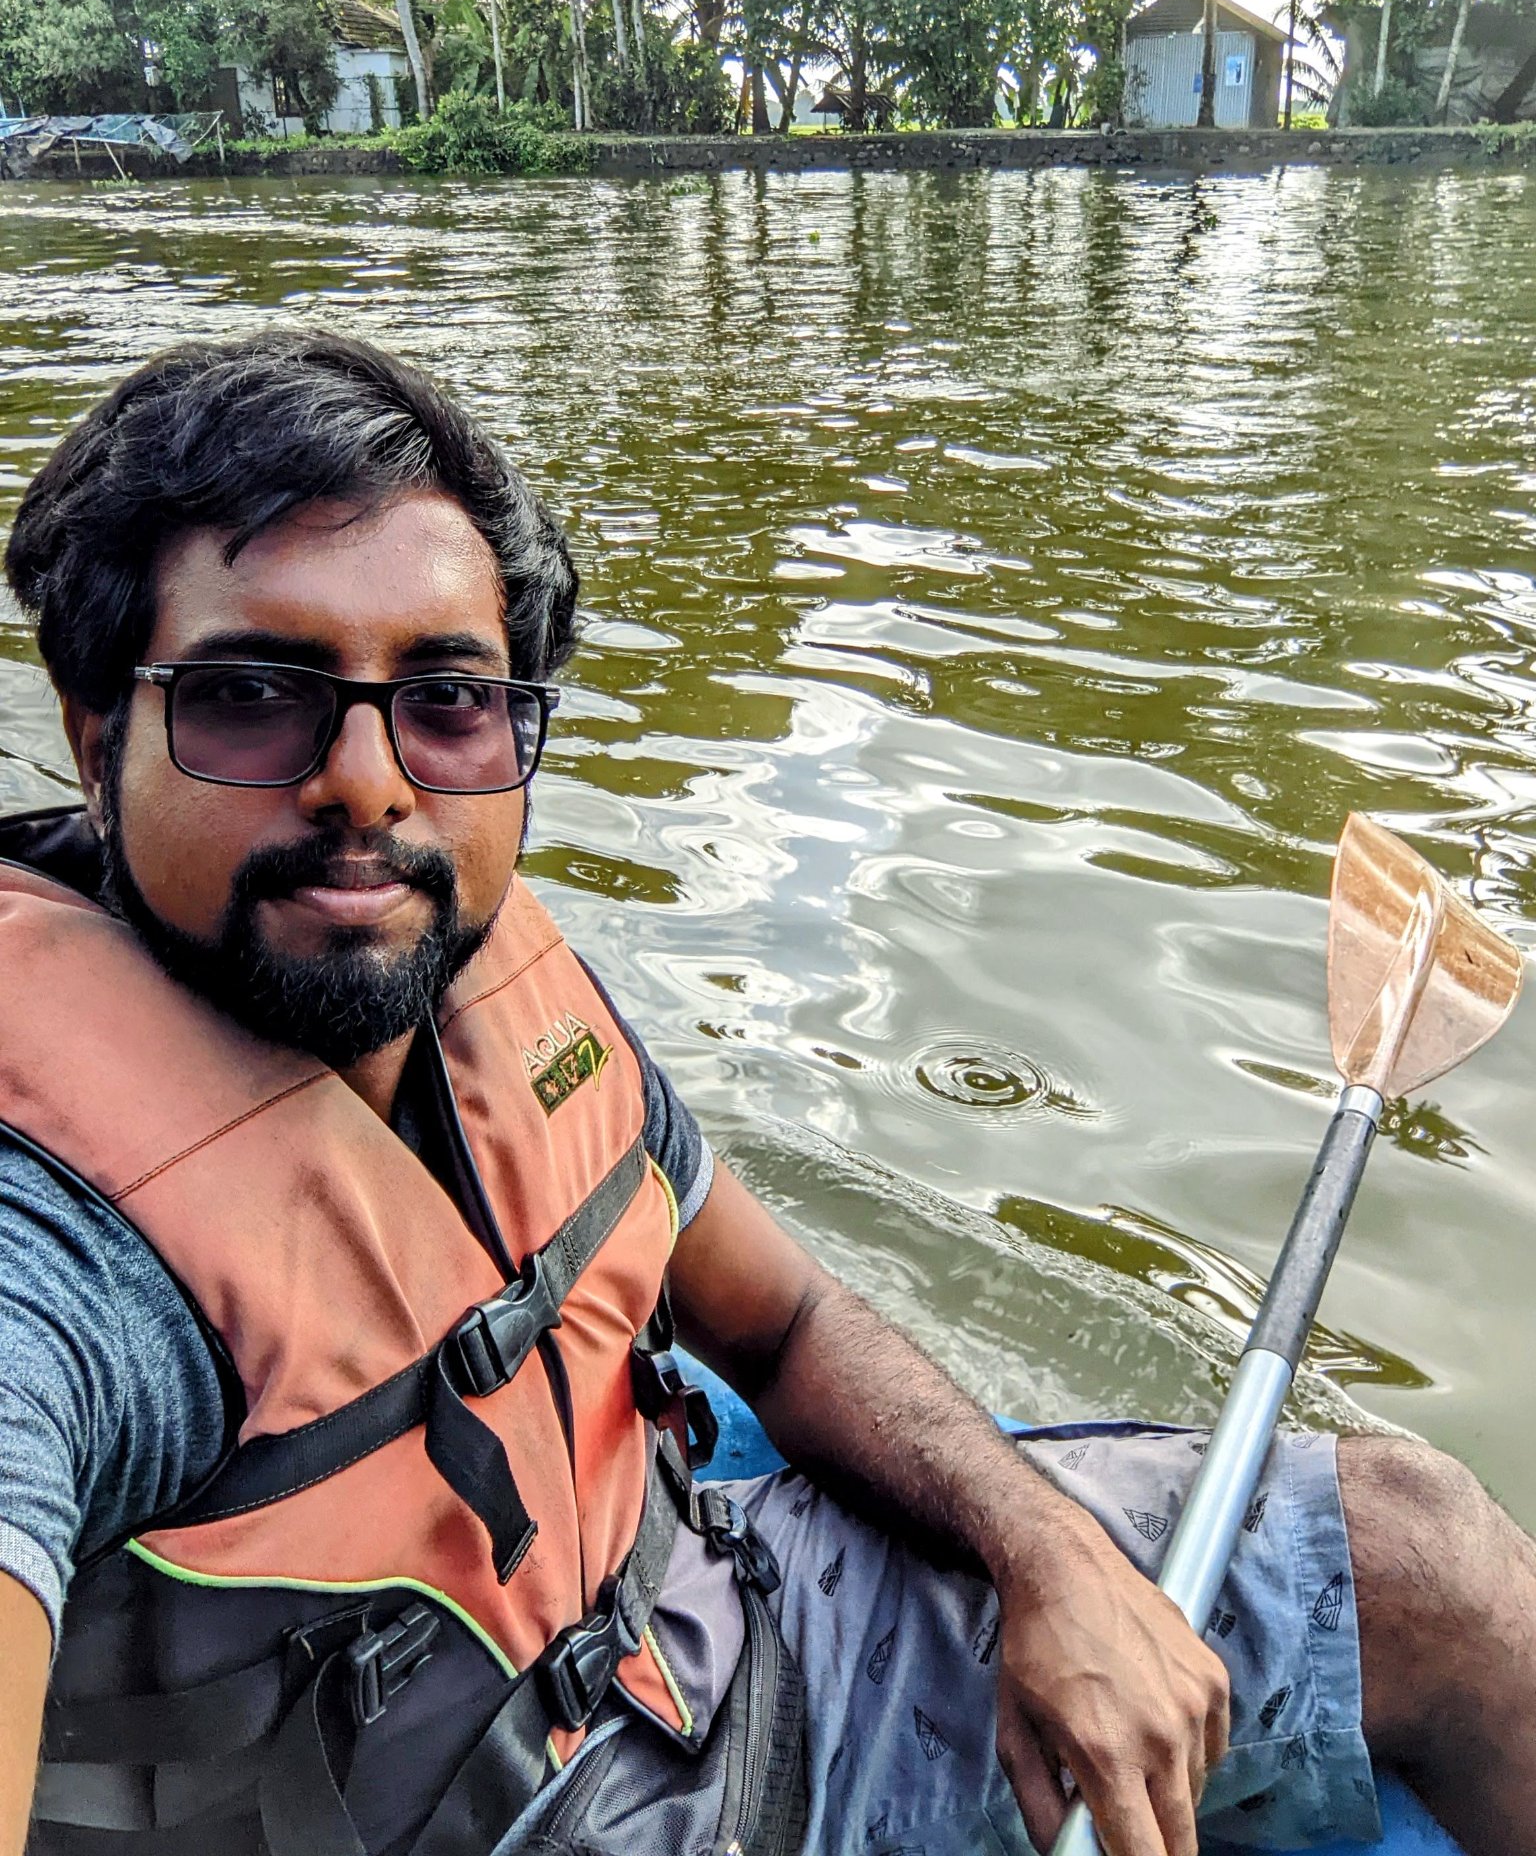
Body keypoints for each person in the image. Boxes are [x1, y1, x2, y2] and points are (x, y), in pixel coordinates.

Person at [0, 332, 1532, 1856]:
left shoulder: (484, 981)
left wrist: (1048, 1549)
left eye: (449, 699)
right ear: (95, 735)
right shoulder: (53, 1262)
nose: (368, 779)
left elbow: (783, 1322)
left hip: (716, 1627)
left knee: (1428, 1557)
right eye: (252, 694)